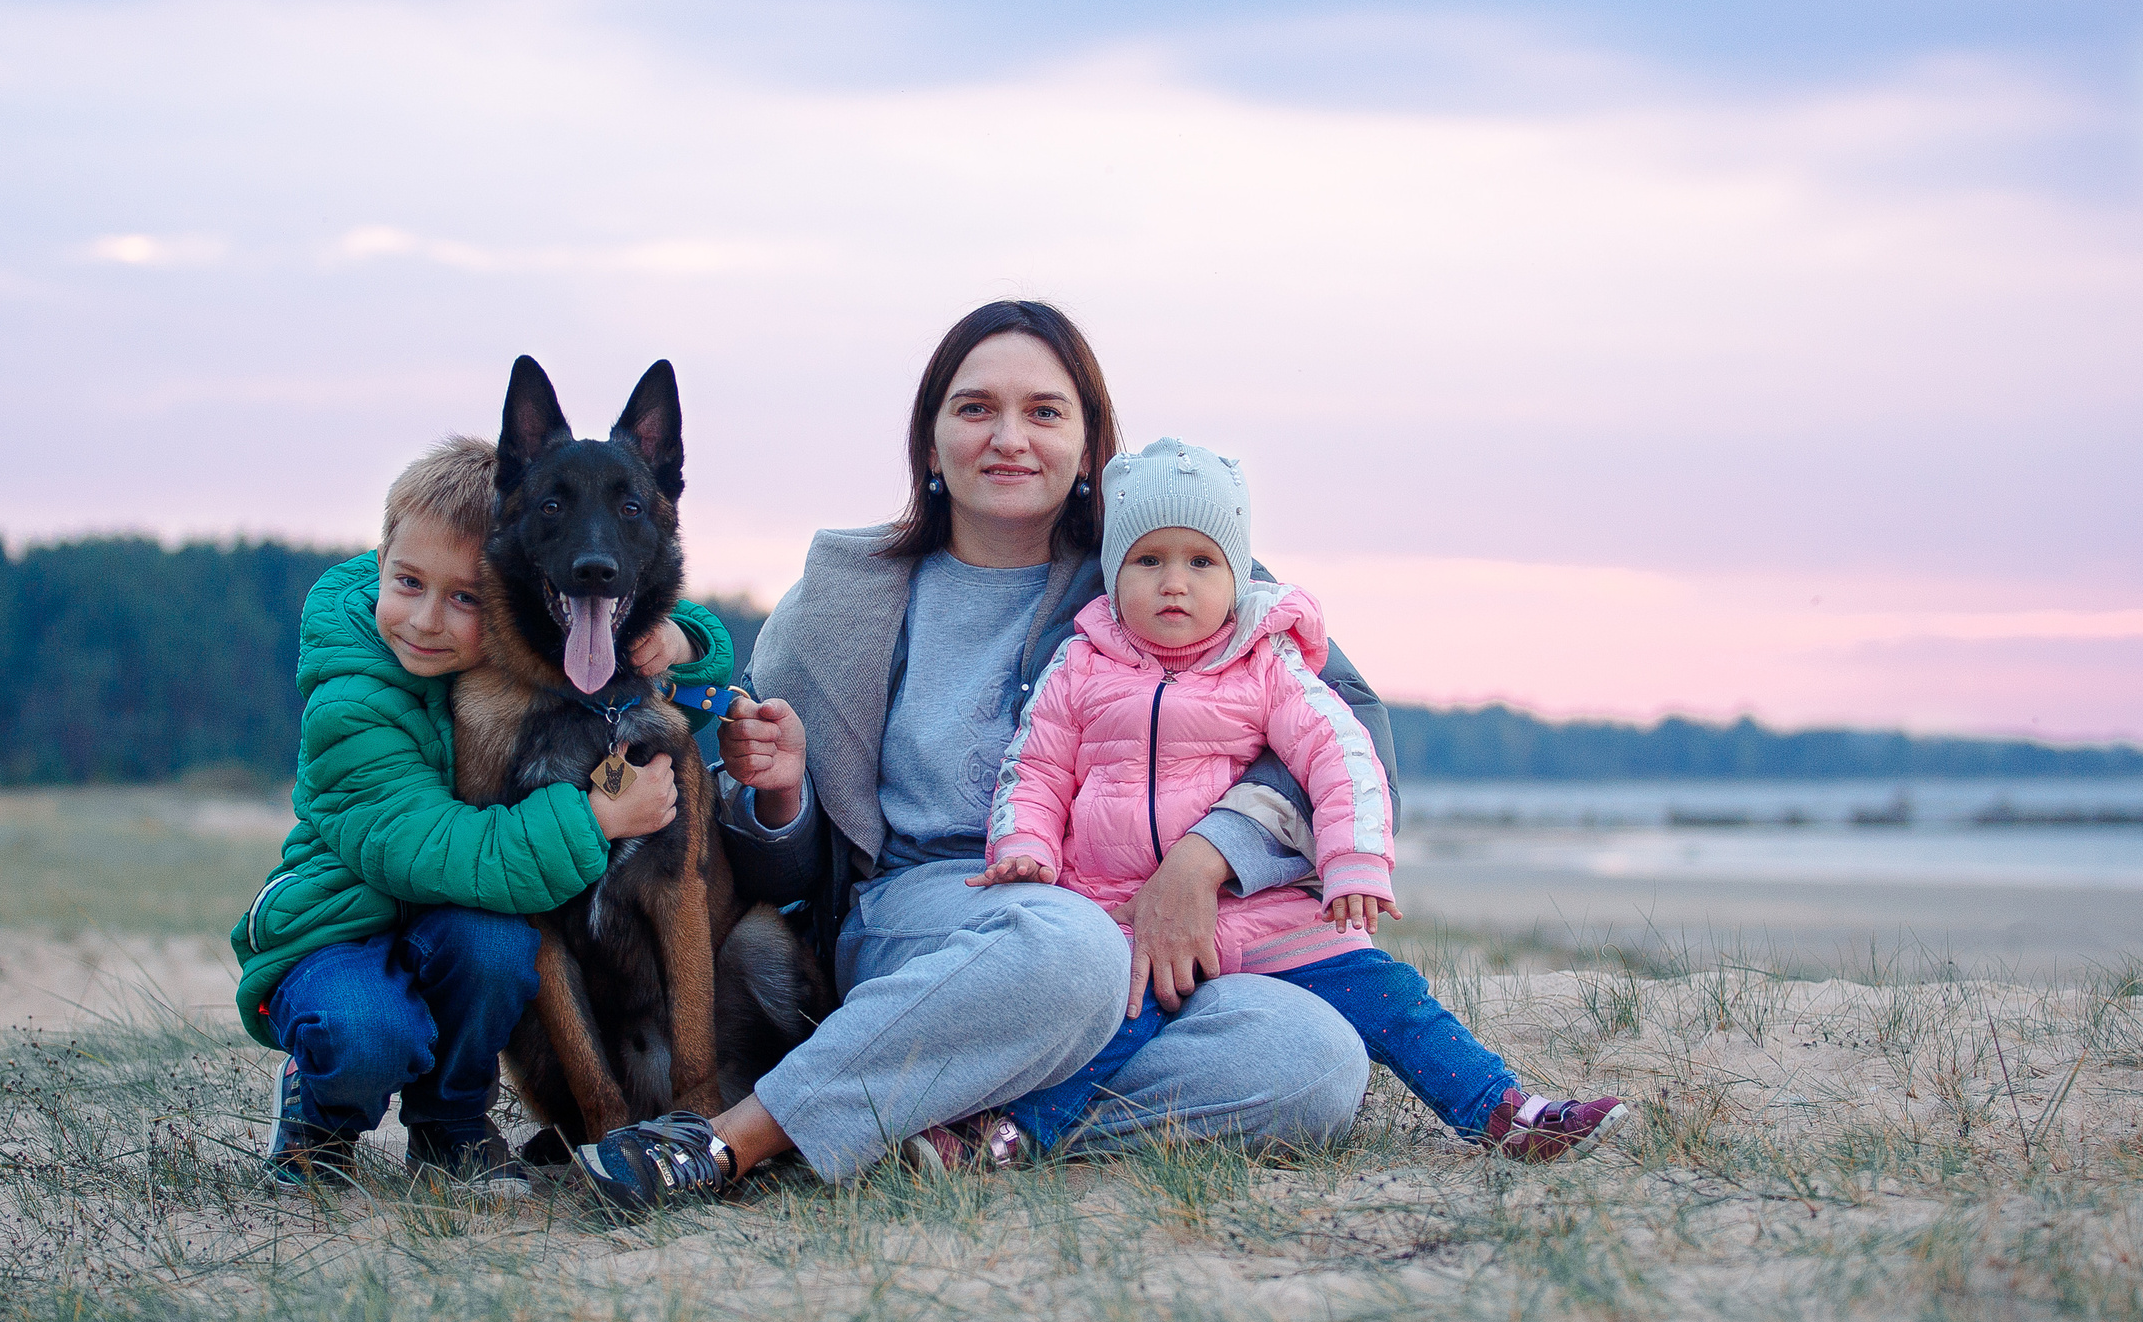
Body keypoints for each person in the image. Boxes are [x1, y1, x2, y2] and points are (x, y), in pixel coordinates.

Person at [572, 301, 1374, 1211]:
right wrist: (782, 793)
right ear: (929, 439)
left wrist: (1207, 856)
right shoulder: (839, 600)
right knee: (1069, 947)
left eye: (1044, 411)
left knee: (1316, 1057)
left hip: (1134, 923)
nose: (1009, 438)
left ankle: (959, 1126)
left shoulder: (1169, 563)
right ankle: (731, 1140)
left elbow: (1349, 729)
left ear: (1089, 443)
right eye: (976, 408)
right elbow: (770, 870)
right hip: (931, 917)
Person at [978, 437, 1630, 1161]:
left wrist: (1355, 863)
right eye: (1149, 560)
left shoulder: (1267, 663)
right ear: (1113, 573)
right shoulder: (1081, 665)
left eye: (1201, 562)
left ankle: (1506, 1112)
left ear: (1238, 574)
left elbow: (1341, 755)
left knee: (1390, 996)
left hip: (1265, 917)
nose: (1174, 583)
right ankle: (1005, 1140)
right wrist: (1025, 847)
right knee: (1103, 1032)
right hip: (1127, 914)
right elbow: (1034, 768)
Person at [229, 435, 738, 1194]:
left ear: (505, 592)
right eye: (408, 583)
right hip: (343, 930)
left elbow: (620, 618)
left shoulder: (498, 661)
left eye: (465, 597)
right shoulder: (351, 700)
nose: (428, 620)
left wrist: (682, 639)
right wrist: (596, 820)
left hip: (446, 926)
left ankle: (451, 1122)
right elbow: (436, 850)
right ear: (380, 562)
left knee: (498, 947)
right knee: (370, 1029)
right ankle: (319, 1116)